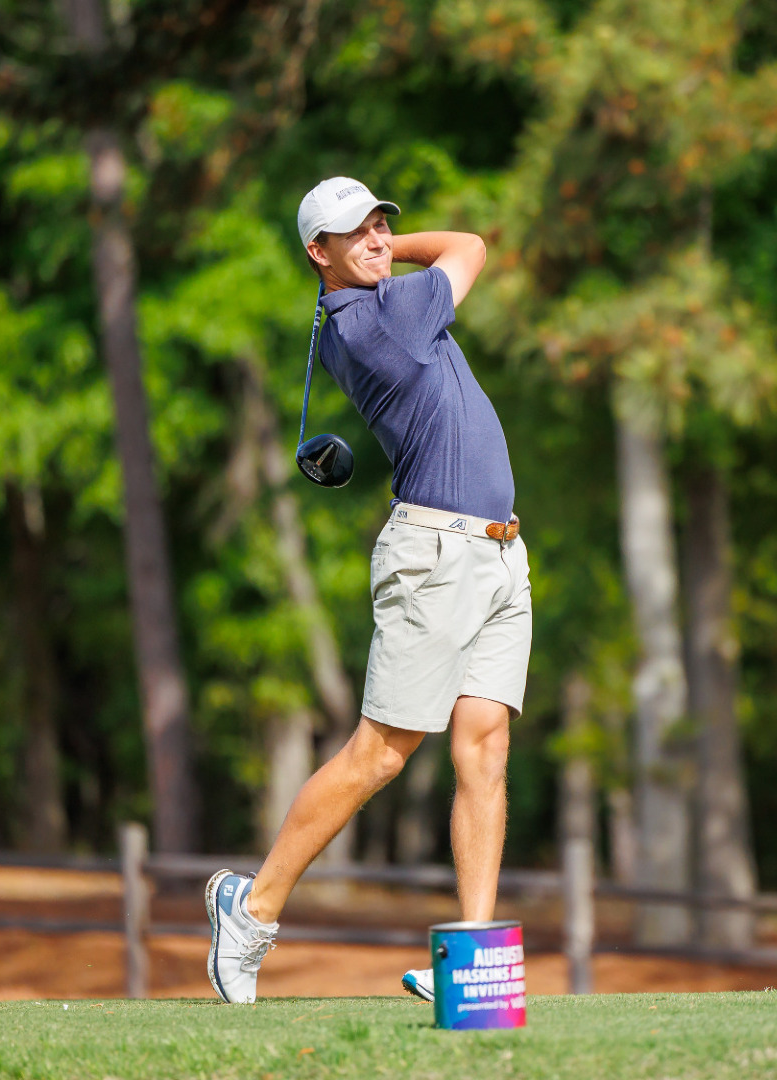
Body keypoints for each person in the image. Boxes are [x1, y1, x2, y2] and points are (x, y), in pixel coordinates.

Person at [206, 176, 530, 1005]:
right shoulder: (381, 317)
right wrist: (403, 249)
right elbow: (472, 247)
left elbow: (443, 256)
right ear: (318, 253)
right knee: (381, 753)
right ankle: (253, 909)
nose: (382, 240)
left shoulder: (375, 302)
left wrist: (377, 250)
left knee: (484, 748)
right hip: (435, 556)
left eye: (384, 224)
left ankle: (471, 971)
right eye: (359, 233)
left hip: (498, 553)